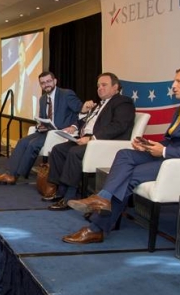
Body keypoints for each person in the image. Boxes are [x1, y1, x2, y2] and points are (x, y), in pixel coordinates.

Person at [62, 67, 180, 244]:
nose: (173, 86)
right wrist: (148, 145)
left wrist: (163, 151)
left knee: (129, 176)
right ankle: (103, 198)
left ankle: (96, 228)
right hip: (168, 155)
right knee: (125, 154)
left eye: (178, 81)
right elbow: (174, 140)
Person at [46, 73, 136, 210]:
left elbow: (119, 125)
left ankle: (69, 196)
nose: (100, 88)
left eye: (104, 85)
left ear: (115, 87)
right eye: (98, 86)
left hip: (103, 144)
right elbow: (84, 121)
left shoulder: (123, 102)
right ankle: (60, 191)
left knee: (74, 152)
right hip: (86, 140)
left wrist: (92, 138)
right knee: (58, 149)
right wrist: (77, 125)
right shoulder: (98, 105)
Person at [0, 70, 82, 185]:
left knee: (33, 144)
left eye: (48, 81)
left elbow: (82, 112)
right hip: (46, 131)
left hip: (58, 133)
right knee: (22, 142)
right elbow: (43, 117)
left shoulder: (66, 94)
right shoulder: (42, 99)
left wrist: (74, 126)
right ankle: (10, 172)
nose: (46, 85)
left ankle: (13, 175)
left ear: (55, 81)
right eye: (43, 83)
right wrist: (40, 126)